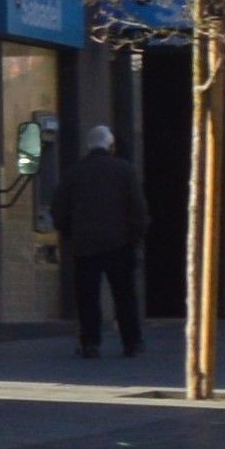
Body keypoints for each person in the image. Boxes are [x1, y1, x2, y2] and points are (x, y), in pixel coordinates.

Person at [58, 122, 148, 359]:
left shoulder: (74, 172)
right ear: (111, 145)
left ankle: (90, 342)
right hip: (119, 244)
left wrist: (71, 234)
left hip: (85, 245)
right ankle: (132, 342)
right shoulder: (125, 170)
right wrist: (135, 238)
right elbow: (138, 209)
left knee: (87, 297)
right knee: (125, 295)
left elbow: (59, 209)